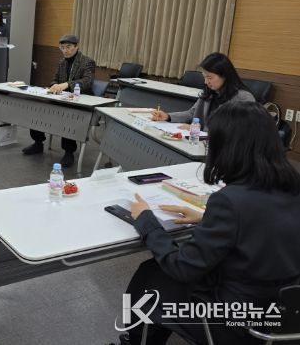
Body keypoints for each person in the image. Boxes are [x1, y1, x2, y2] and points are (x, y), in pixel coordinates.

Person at [119, 101, 300, 345]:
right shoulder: (291, 186)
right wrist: (206, 217)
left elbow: (183, 267)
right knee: (154, 273)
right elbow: (268, 222)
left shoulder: (230, 200)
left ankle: (134, 340)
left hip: (237, 321)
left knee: (151, 277)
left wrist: (147, 221)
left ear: (228, 147)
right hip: (285, 312)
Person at [22, 34, 95, 168]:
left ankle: (69, 152)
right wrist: (54, 85)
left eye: (68, 47)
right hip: (61, 98)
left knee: (68, 116)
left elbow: (87, 81)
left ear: (76, 47)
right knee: (38, 108)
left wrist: (67, 84)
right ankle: (38, 143)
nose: (65, 50)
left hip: (80, 100)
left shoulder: (87, 62)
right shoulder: (62, 62)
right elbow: (54, 79)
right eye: (62, 48)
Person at [151, 52, 254, 130]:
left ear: (225, 76)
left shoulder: (243, 98)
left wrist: (200, 131)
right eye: (204, 77)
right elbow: (192, 113)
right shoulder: (210, 92)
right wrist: (168, 117)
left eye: (210, 77)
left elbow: (239, 131)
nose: (205, 82)